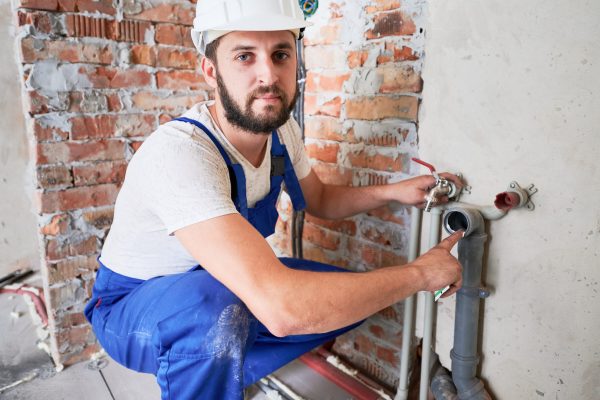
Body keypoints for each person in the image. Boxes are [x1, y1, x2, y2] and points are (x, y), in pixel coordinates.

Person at [84, 0, 464, 398]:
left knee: (344, 294)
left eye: (280, 54)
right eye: (245, 56)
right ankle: (203, 373)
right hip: (130, 307)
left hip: (212, 288)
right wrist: (421, 274)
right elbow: (284, 311)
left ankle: (220, 369)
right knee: (225, 310)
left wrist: (394, 192)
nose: (268, 75)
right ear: (211, 72)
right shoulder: (182, 152)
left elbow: (321, 200)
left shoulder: (282, 134)